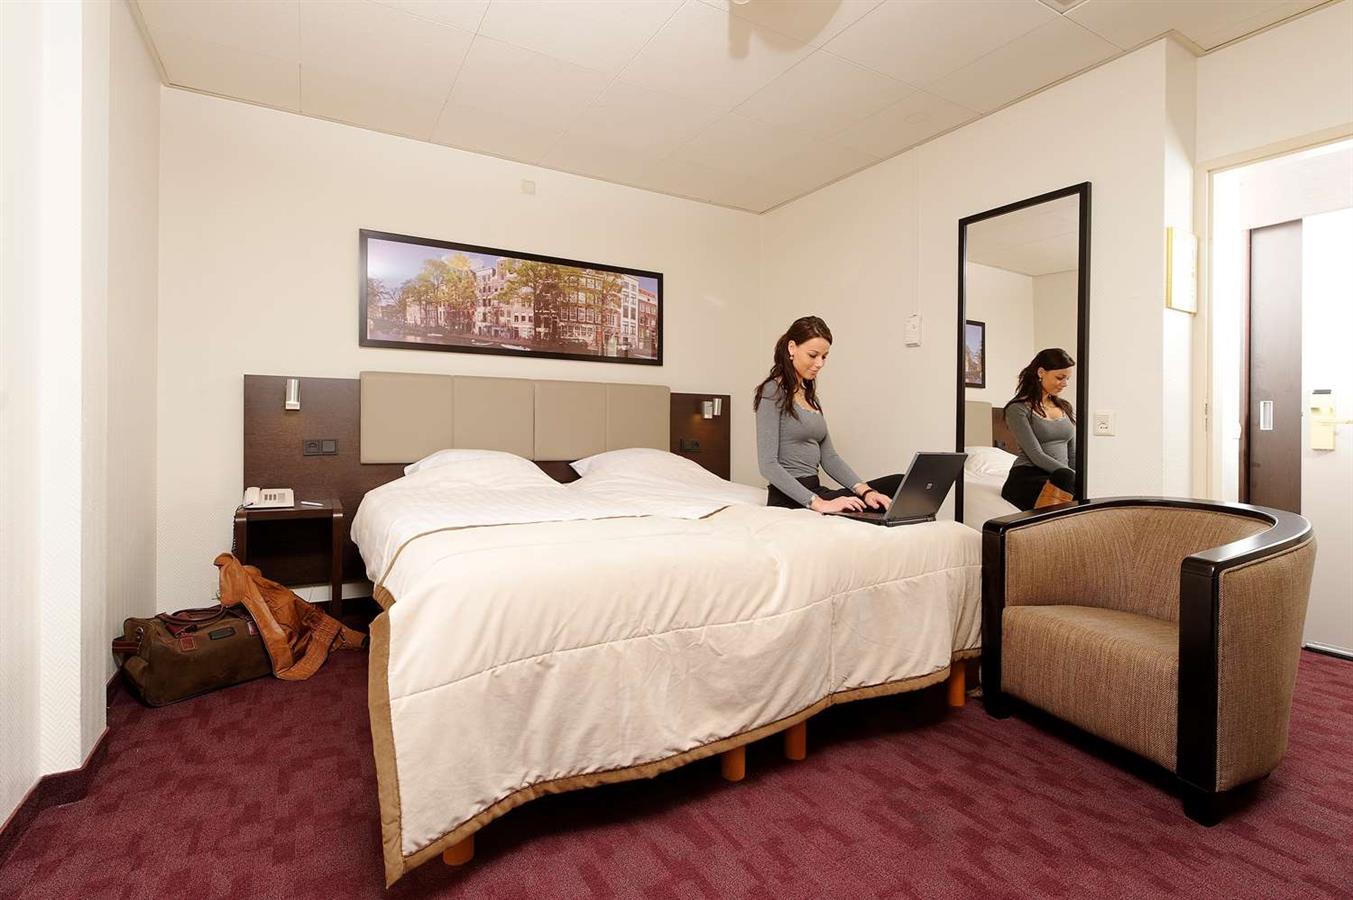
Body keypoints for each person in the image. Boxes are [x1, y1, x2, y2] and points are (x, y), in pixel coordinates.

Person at [754, 316, 903, 512]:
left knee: (899, 483)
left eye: (824, 357)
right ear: (792, 348)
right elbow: (768, 465)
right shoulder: (772, 391)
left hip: (815, 490)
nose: (819, 363)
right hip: (790, 498)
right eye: (813, 355)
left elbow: (830, 457)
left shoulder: (810, 398)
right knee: (885, 501)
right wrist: (819, 503)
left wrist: (866, 491)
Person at [1000, 348, 1077, 511]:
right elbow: (1035, 454)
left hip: (1063, 478)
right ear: (1041, 372)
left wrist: (1080, 478)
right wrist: (1072, 476)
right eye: (1060, 378)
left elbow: (1073, 453)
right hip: (1028, 476)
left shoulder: (1065, 407)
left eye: (1067, 379)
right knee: (1066, 478)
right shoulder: (1018, 409)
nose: (1065, 384)